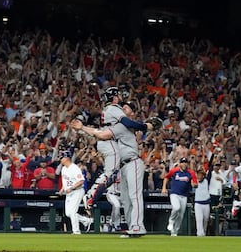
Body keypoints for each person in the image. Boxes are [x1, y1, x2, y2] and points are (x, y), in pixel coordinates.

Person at [71, 100, 155, 237]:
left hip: (132, 162)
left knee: (135, 196)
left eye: (126, 107)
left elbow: (102, 134)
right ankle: (132, 228)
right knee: (126, 200)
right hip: (122, 166)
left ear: (131, 113)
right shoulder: (118, 125)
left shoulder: (123, 125)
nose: (122, 108)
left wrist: (82, 128)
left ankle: (138, 227)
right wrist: (83, 128)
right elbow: (99, 132)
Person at [161, 157, 198, 236]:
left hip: (184, 195)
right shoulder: (175, 170)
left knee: (181, 215)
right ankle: (171, 221)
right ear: (180, 163)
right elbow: (166, 177)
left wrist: (194, 184)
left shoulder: (190, 172)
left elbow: (195, 184)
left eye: (185, 163)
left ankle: (175, 231)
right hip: (174, 193)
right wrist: (164, 188)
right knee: (176, 208)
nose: (184, 164)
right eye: (183, 162)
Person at [59, 150, 92, 234]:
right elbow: (66, 180)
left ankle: (76, 231)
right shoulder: (63, 168)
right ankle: (86, 220)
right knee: (68, 213)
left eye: (62, 157)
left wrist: (72, 188)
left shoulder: (74, 168)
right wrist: (62, 188)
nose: (60, 159)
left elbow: (81, 181)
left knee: (73, 212)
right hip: (69, 193)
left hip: (77, 191)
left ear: (66, 158)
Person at [194, 168, 210, 236]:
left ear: (203, 176)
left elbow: (210, 172)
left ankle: (204, 233)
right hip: (198, 203)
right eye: (198, 175)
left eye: (200, 175)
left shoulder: (207, 181)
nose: (199, 176)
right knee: (199, 219)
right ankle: (199, 234)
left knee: (206, 219)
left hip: (206, 203)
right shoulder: (195, 181)